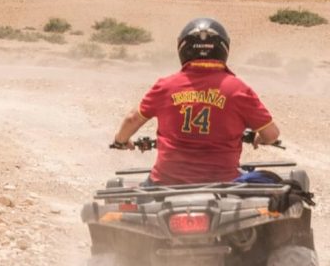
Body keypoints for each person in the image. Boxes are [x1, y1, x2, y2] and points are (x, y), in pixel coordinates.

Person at [111, 18, 280, 185]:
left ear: (183, 48)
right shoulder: (238, 89)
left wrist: (121, 141)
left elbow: (133, 118)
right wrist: (261, 138)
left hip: (166, 182)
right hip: (223, 184)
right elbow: (271, 134)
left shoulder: (166, 86)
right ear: (224, 49)